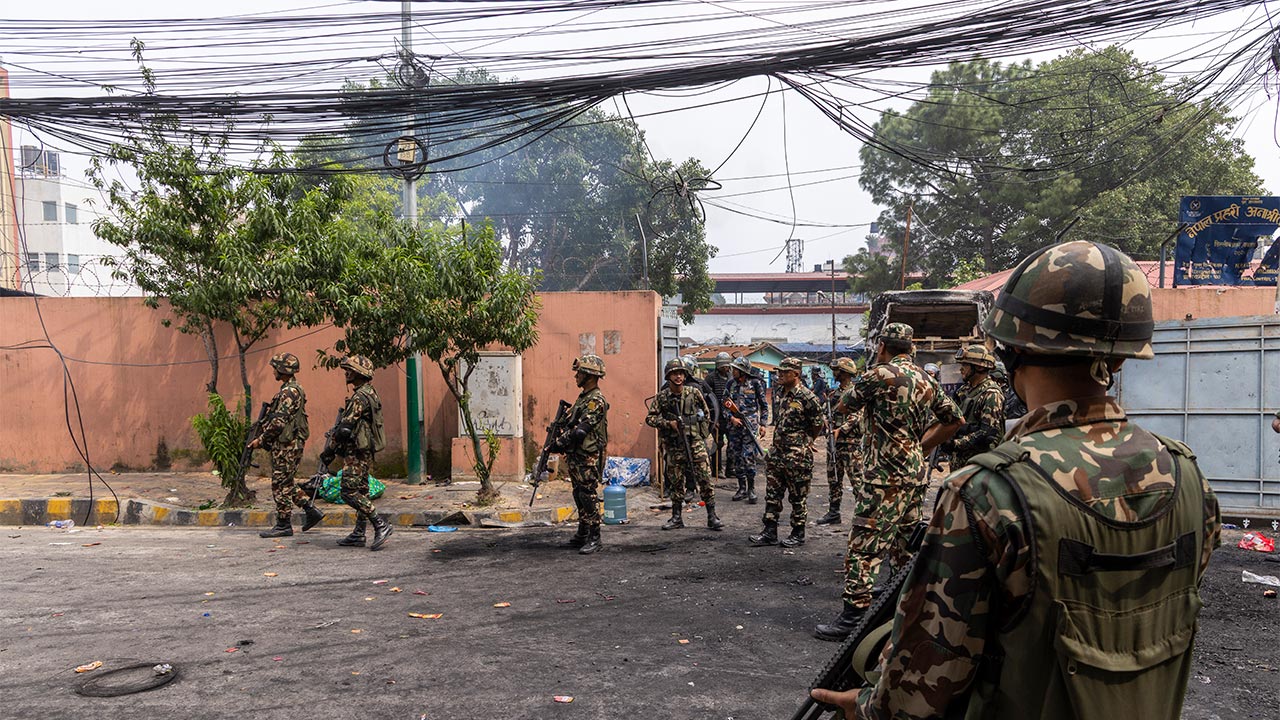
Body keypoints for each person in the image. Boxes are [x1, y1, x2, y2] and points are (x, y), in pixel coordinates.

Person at [811, 240, 1222, 720]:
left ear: (1012, 351)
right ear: (1122, 357)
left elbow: (916, 697)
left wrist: (864, 708)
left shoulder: (986, 492)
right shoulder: (1188, 475)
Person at [815, 323, 962, 640]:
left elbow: (843, 405)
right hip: (915, 473)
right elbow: (955, 420)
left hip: (884, 477)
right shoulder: (926, 378)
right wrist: (920, 447)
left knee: (864, 548)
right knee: (904, 544)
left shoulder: (878, 375)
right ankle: (900, 609)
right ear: (910, 347)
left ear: (882, 345)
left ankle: (853, 618)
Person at [748, 357, 825, 548]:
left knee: (797, 496)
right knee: (772, 494)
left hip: (797, 456)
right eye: (779, 371)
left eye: (784, 372)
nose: (779, 375)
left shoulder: (807, 398)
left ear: (796, 374)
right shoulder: (780, 393)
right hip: (777, 454)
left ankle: (798, 533)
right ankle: (769, 532)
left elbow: (818, 424)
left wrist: (806, 441)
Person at [252, 352, 324, 538]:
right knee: (286, 482)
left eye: (276, 367)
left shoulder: (289, 392)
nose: (274, 371)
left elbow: (278, 423)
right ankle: (310, 510)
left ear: (283, 369)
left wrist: (261, 440)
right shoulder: (292, 389)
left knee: (279, 483)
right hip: (289, 443)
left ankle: (284, 524)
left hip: (287, 444)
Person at [646, 358, 723, 531]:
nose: (678, 376)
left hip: (695, 443)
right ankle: (676, 517)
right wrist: (668, 424)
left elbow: (707, 414)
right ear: (668, 376)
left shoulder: (693, 392)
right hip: (674, 445)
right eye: (674, 373)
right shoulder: (662, 397)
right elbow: (650, 418)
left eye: (681, 373)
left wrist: (701, 435)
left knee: (705, 478)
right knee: (675, 482)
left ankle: (712, 516)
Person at [326, 355, 393, 551]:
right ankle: (358, 533)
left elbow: (346, 428)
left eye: (350, 370)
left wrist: (330, 449)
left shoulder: (359, 397)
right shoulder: (370, 392)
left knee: (348, 492)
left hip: (356, 452)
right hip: (364, 450)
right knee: (362, 490)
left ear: (359, 373)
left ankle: (380, 523)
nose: (346, 373)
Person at [553, 354, 609, 555]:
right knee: (578, 494)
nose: (576, 376)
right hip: (577, 455)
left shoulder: (596, 400)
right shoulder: (583, 398)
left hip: (587, 455)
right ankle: (582, 534)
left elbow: (580, 431)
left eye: (579, 372)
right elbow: (571, 424)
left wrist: (559, 443)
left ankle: (595, 537)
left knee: (588, 495)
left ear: (590, 375)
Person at [816, 357, 863, 526]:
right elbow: (824, 411)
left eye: (836, 370)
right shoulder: (833, 394)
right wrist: (824, 420)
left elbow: (857, 416)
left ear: (843, 373)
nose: (833, 373)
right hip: (833, 444)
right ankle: (834, 512)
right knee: (834, 479)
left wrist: (840, 430)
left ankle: (862, 513)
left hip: (850, 443)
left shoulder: (855, 392)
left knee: (857, 480)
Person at [942, 344, 1005, 468]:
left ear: (979, 368)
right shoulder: (964, 390)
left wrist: (955, 444)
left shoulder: (991, 394)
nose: (961, 369)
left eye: (965, 365)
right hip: (960, 461)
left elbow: (987, 434)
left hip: (979, 464)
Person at [724, 356, 768, 504]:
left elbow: (764, 405)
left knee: (748, 456)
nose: (733, 371)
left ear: (742, 371)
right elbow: (724, 404)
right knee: (736, 456)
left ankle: (751, 489)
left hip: (750, 425)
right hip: (735, 427)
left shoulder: (755, 383)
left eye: (735, 369)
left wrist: (763, 424)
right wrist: (731, 418)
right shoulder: (730, 384)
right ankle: (741, 488)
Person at [709, 352, 734, 478]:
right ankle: (716, 469)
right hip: (716, 417)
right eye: (723, 366)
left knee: (732, 443)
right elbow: (709, 400)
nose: (726, 368)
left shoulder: (731, 377)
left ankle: (730, 468)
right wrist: (714, 419)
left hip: (729, 417)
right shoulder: (711, 378)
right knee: (718, 443)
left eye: (727, 366)